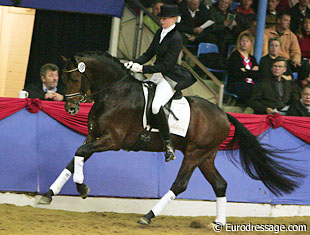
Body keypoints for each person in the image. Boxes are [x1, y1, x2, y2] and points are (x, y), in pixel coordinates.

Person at [124, 4, 196, 162]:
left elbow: (167, 66)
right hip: (157, 73)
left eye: (164, 18)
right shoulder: (160, 32)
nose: (161, 20)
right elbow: (148, 53)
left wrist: (142, 69)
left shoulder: (177, 38)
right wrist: (133, 63)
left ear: (173, 20)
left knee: (156, 105)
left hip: (169, 76)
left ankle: (168, 143)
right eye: (161, 18)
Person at [226, 33, 259, 100]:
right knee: (252, 89)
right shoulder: (234, 56)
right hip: (235, 83)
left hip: (250, 83)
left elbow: (257, 74)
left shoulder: (252, 58)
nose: (244, 43)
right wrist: (251, 72)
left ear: (250, 43)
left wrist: (245, 71)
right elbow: (238, 73)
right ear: (239, 42)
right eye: (243, 41)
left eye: (247, 41)